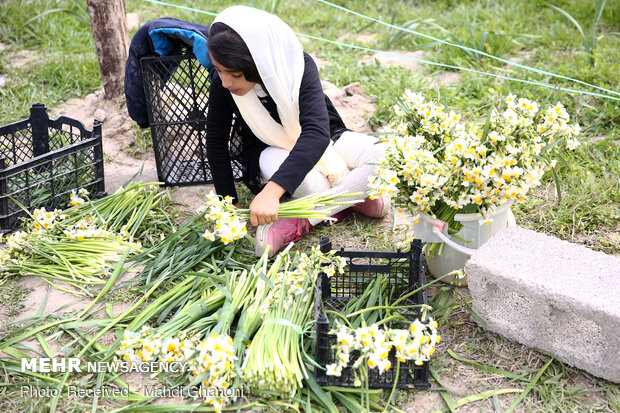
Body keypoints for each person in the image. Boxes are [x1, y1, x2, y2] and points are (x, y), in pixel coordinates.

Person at [206, 5, 389, 257]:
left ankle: (297, 221)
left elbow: (316, 134)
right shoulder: (222, 86)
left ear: (258, 62)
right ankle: (355, 196)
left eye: (235, 74)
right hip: (269, 150)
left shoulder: (297, 66)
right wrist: (227, 201)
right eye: (218, 70)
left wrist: (272, 193)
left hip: (323, 139)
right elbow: (215, 141)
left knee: (385, 156)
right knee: (313, 187)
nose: (225, 82)